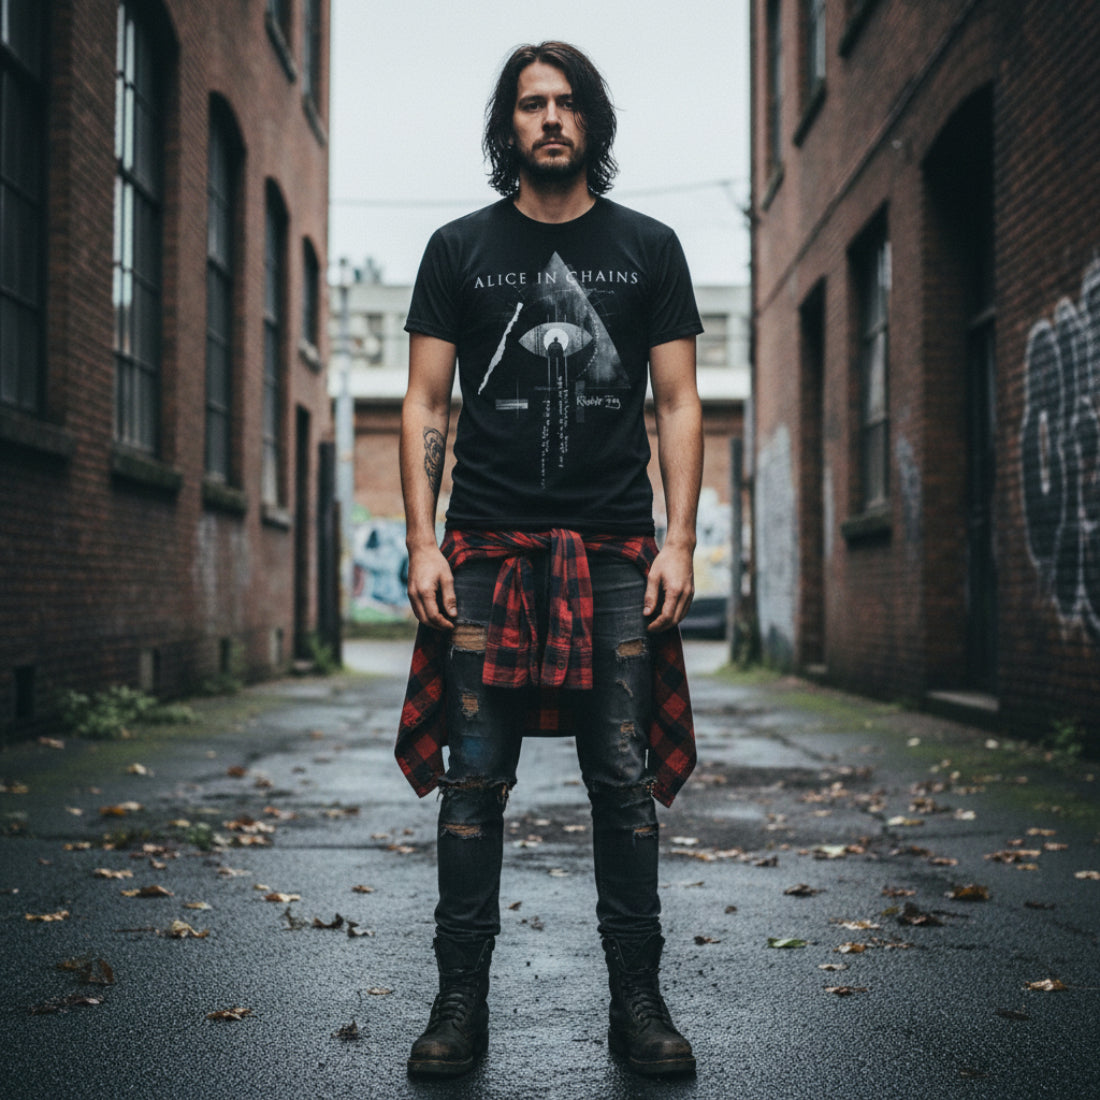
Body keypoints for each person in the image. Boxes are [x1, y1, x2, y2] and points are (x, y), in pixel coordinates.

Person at [396, 40, 703, 1079]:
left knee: (619, 778)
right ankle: (457, 1000)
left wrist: (681, 539)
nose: (551, 118)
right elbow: (425, 401)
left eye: (568, 102)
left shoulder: (649, 246)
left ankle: (638, 998)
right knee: (473, 779)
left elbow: (676, 401)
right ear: (508, 125)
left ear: (592, 122)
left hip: (614, 550)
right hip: (482, 549)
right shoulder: (457, 249)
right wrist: (419, 541)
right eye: (531, 104)